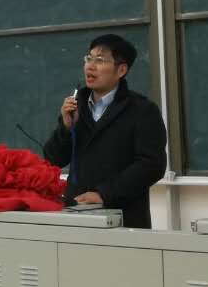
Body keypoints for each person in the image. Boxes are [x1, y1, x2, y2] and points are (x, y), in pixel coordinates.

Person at [42, 33, 167, 228]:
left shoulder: (142, 110)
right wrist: (66, 128)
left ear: (121, 70)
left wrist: (104, 194)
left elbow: (152, 165)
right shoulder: (76, 105)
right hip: (76, 214)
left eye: (100, 60)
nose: (90, 66)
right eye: (88, 59)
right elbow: (53, 159)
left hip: (123, 218)